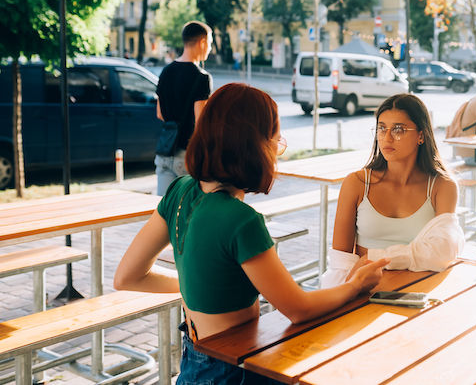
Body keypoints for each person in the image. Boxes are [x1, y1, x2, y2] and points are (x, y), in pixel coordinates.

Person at [115, 83, 388, 385]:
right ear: (254, 144)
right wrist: (355, 285)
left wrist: (197, 282)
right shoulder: (241, 220)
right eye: (275, 138)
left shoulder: (178, 191)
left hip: (193, 361)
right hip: (231, 370)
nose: (277, 148)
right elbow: (298, 309)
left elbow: (127, 277)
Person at [321, 94, 465, 287]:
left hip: (418, 289)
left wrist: (377, 257)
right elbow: (341, 263)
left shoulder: (442, 186)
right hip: (364, 291)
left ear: (421, 135)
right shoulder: (356, 183)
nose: (387, 138)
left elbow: (444, 250)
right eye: (382, 128)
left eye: (398, 130)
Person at [155, 21, 214, 196]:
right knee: (189, 214)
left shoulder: (166, 71)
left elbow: (160, 113)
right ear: (201, 42)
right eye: (210, 43)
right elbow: (200, 121)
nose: (210, 49)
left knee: (165, 213)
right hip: (187, 156)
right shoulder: (201, 77)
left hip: (165, 153)